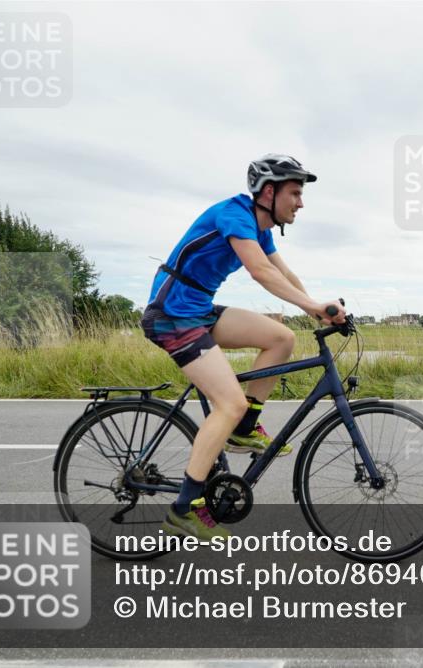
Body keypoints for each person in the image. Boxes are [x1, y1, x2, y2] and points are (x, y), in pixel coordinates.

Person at [140, 154, 346, 540]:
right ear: (268, 192)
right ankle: (184, 508)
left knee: (281, 337)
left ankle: (244, 429)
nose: (301, 203)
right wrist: (313, 306)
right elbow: (260, 272)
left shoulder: (260, 227)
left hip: (197, 310)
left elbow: (284, 273)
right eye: (295, 193)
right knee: (228, 403)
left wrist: (320, 310)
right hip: (172, 315)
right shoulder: (234, 214)